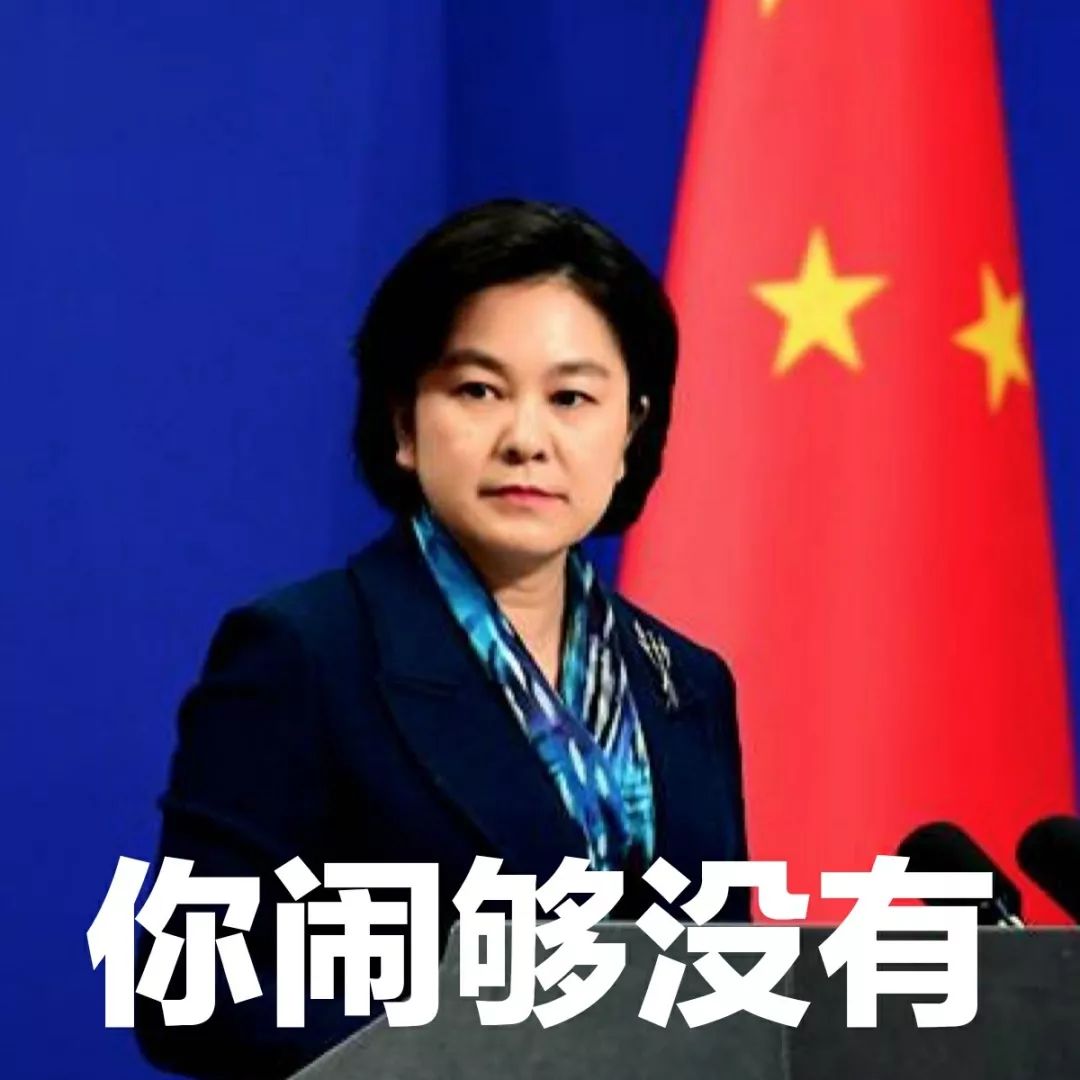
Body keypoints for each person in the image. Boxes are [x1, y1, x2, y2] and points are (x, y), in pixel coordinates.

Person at [135, 198, 749, 1078]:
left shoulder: (685, 684)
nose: (526, 439)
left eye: (572, 398)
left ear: (630, 433)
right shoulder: (305, 653)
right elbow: (183, 985)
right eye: (478, 391)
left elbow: (721, 988)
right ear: (403, 423)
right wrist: (466, 1043)